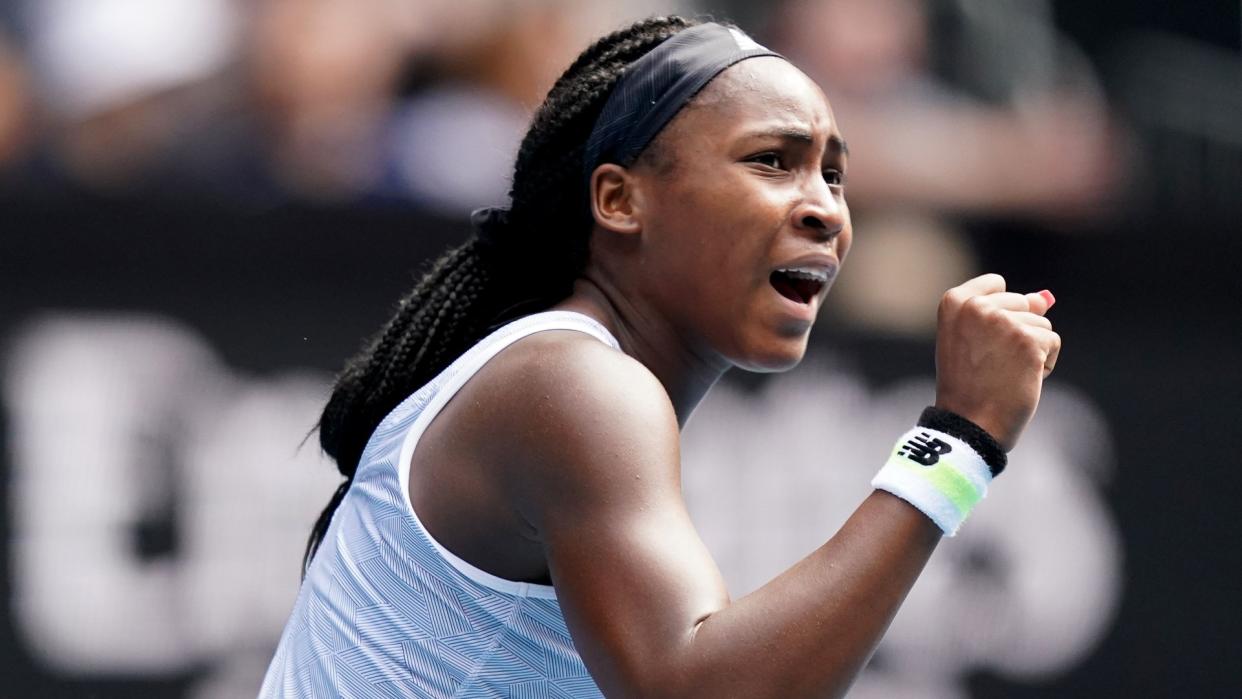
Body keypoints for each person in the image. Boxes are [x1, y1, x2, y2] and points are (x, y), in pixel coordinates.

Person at [260, 16, 1061, 698]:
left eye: (835, 173)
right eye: (771, 160)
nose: (824, 208)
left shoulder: (567, 377)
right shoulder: (577, 385)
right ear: (619, 200)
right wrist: (959, 438)